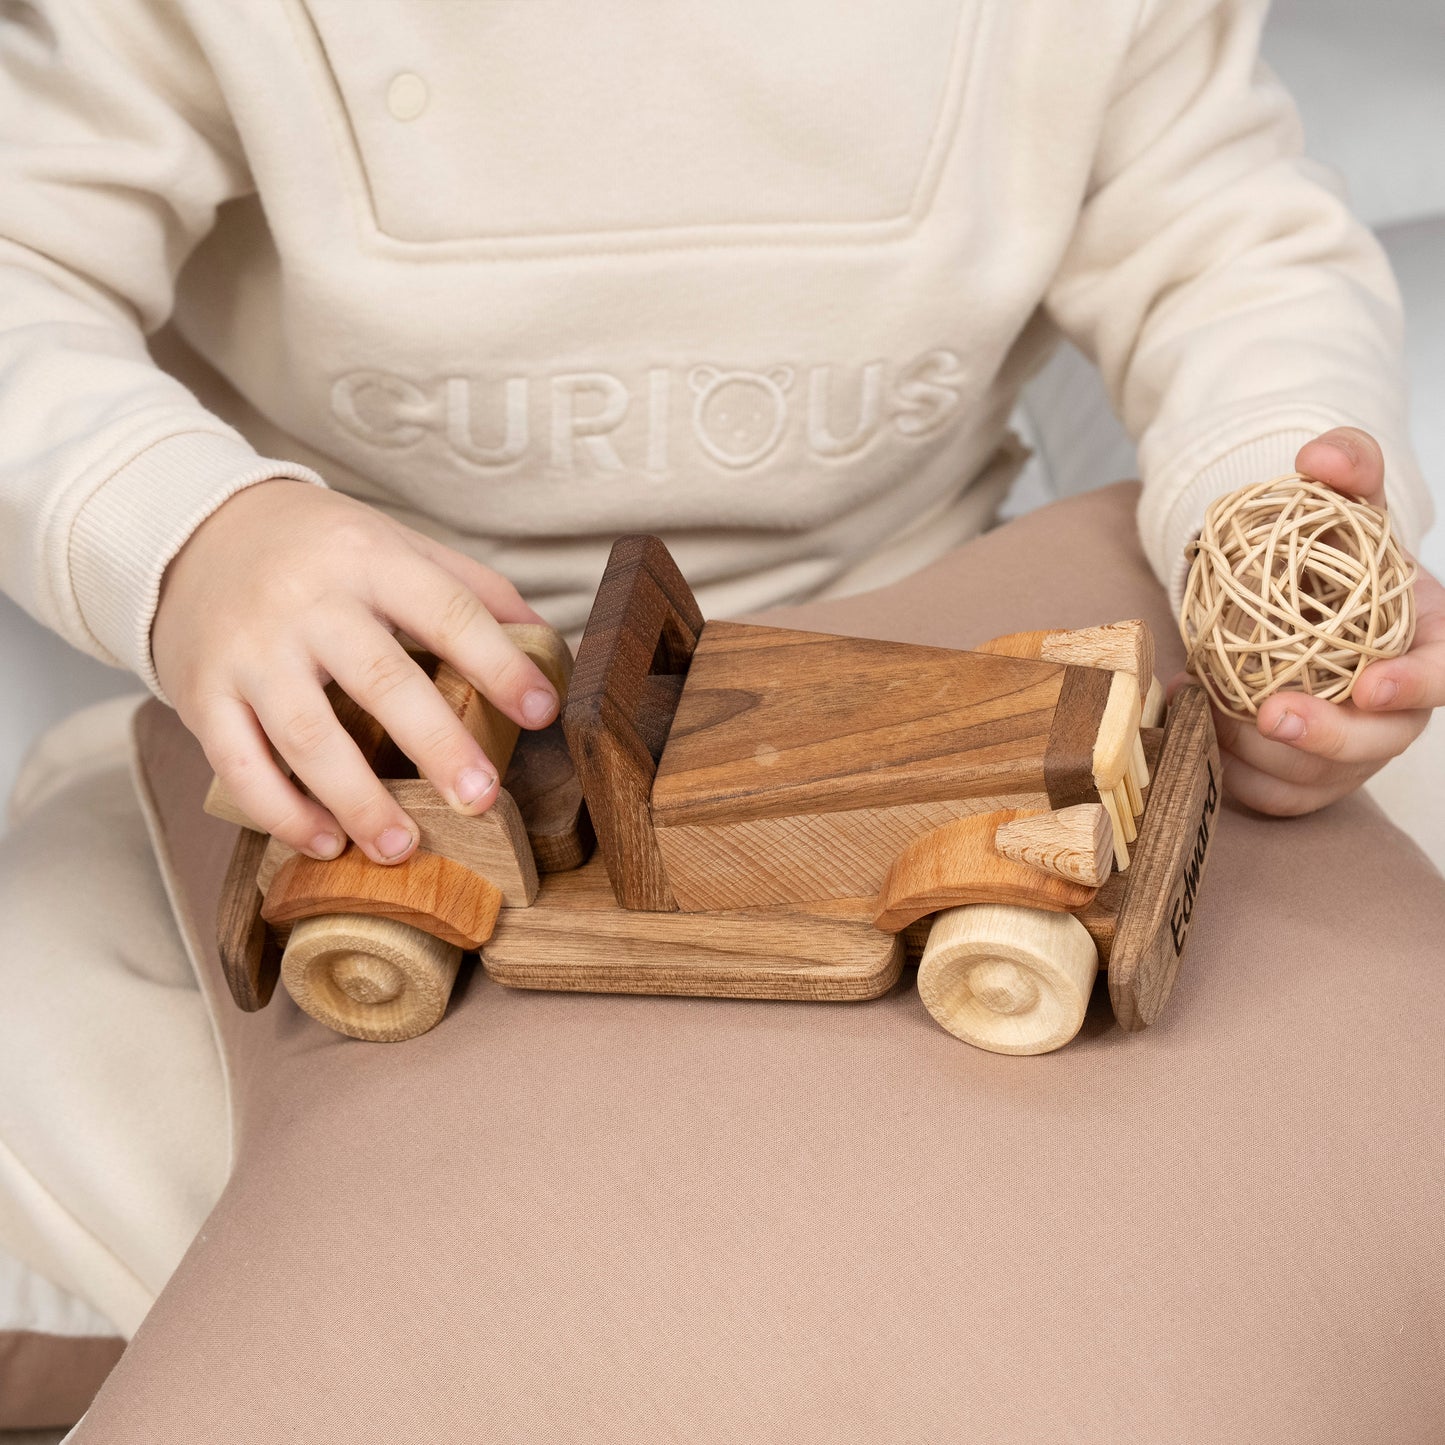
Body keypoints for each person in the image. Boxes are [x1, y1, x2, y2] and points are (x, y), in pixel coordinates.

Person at [0, 0, 1441, 1433]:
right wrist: (191, 537)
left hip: (917, 597)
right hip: (370, 672)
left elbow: (1228, 252)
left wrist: (1272, 496)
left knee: (1316, 1030)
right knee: (67, 1040)